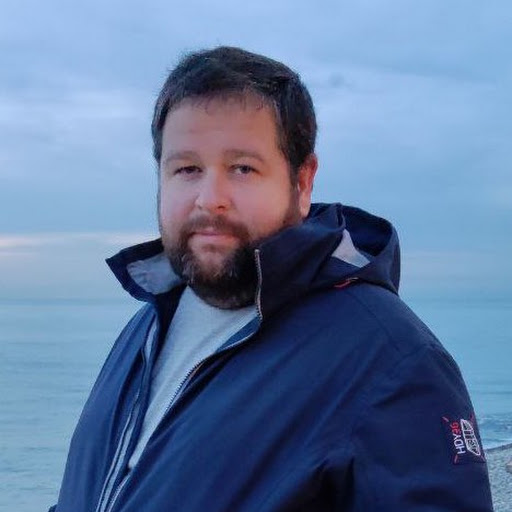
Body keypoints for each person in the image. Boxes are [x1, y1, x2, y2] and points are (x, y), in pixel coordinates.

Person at [49, 46, 493, 511]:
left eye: (242, 168)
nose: (209, 198)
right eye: (187, 169)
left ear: (302, 183)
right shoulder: (148, 326)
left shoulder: (392, 362)